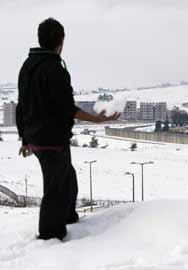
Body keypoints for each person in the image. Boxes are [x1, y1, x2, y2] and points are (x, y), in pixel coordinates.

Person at [16, 18, 120, 240]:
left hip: (37, 137)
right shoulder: (55, 68)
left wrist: (24, 138)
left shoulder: (27, 65)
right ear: (61, 40)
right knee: (55, 187)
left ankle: (68, 216)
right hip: (51, 139)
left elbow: (22, 105)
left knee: (67, 179)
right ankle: (50, 236)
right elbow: (66, 107)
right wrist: (95, 119)